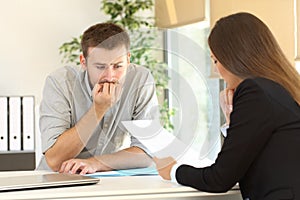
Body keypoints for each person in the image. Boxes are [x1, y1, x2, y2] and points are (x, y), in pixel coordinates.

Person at [154, 12, 300, 199]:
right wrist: (232, 118)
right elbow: (243, 158)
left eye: (215, 60)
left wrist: (173, 171)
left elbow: (220, 178)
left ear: (235, 57)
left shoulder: (254, 90)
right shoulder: (281, 89)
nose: (216, 69)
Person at [37, 22, 159, 174]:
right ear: (84, 62)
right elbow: (55, 161)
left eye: (118, 66)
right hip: (57, 180)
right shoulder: (60, 82)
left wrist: (94, 164)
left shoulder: (140, 80)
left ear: (128, 60)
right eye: (100, 67)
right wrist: (98, 109)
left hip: (108, 179)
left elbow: (147, 153)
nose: (110, 76)